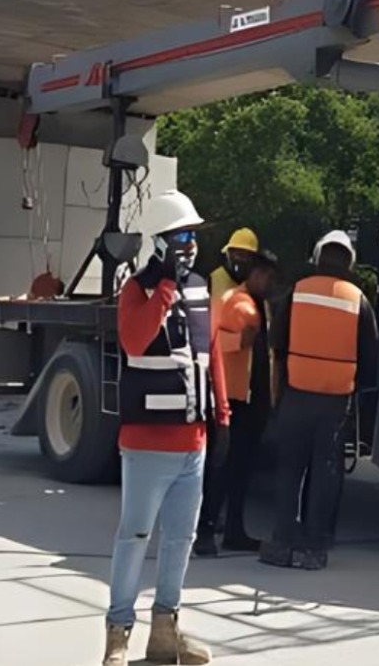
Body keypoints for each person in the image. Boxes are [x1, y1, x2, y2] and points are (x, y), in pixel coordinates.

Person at [104, 189, 226, 666]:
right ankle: (118, 635)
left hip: (191, 442)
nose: (190, 245)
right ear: (158, 242)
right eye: (180, 236)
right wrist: (163, 291)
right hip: (146, 443)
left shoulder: (200, 287)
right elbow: (135, 340)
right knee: (134, 535)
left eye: (193, 235)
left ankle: (165, 632)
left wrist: (222, 420)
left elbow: (208, 352)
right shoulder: (137, 290)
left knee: (181, 540)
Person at [260, 229, 379, 571]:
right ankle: (314, 546)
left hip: (297, 395)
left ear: (317, 256)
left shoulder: (297, 292)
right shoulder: (358, 299)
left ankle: (283, 541)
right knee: (325, 472)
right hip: (335, 402)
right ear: (349, 261)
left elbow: (277, 343)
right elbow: (370, 355)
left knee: (289, 470)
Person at [194, 247, 279, 557]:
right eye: (267, 276)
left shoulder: (261, 305)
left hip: (252, 401)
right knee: (221, 468)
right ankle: (205, 531)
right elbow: (212, 342)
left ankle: (234, 531)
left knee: (241, 470)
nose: (270, 282)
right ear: (254, 275)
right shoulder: (237, 303)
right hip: (232, 400)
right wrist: (238, 340)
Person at [208, 227, 259, 304]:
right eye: (233, 252)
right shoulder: (215, 278)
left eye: (243, 254)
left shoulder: (260, 282)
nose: (237, 258)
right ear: (228, 253)